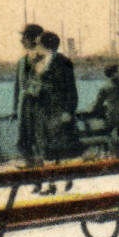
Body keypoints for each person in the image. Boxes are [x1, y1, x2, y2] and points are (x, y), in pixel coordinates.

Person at [35, 30, 84, 167]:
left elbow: (71, 89)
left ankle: (65, 179)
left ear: (45, 45)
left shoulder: (63, 62)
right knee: (48, 150)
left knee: (63, 150)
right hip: (46, 113)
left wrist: (68, 111)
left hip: (60, 113)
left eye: (39, 44)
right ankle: (52, 183)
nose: (37, 47)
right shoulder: (41, 62)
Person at [12, 23, 45, 168]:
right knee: (22, 142)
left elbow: (43, 83)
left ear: (34, 39)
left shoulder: (43, 60)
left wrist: (31, 92)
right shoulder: (21, 62)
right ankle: (32, 170)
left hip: (38, 108)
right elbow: (17, 87)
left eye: (24, 37)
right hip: (23, 109)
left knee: (39, 143)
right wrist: (14, 109)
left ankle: (42, 175)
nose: (21, 41)